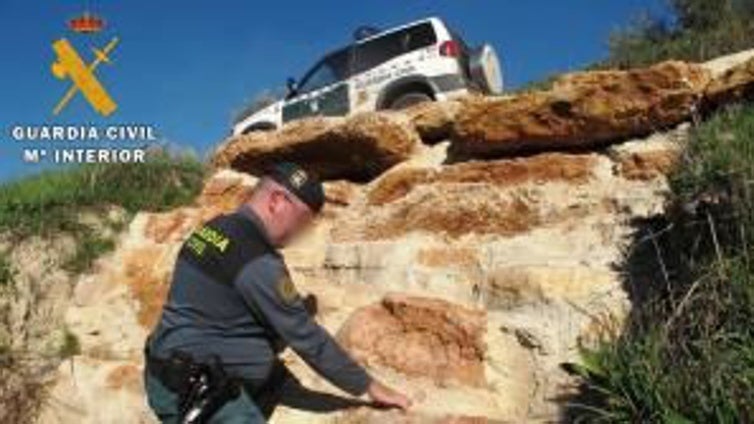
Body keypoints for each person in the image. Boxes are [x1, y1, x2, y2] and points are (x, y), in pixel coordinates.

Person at [143, 162, 411, 423]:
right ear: (277, 201)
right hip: (195, 390)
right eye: (304, 220)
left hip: (166, 368)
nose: (302, 231)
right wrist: (370, 386)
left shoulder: (215, 228)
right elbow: (306, 337)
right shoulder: (256, 259)